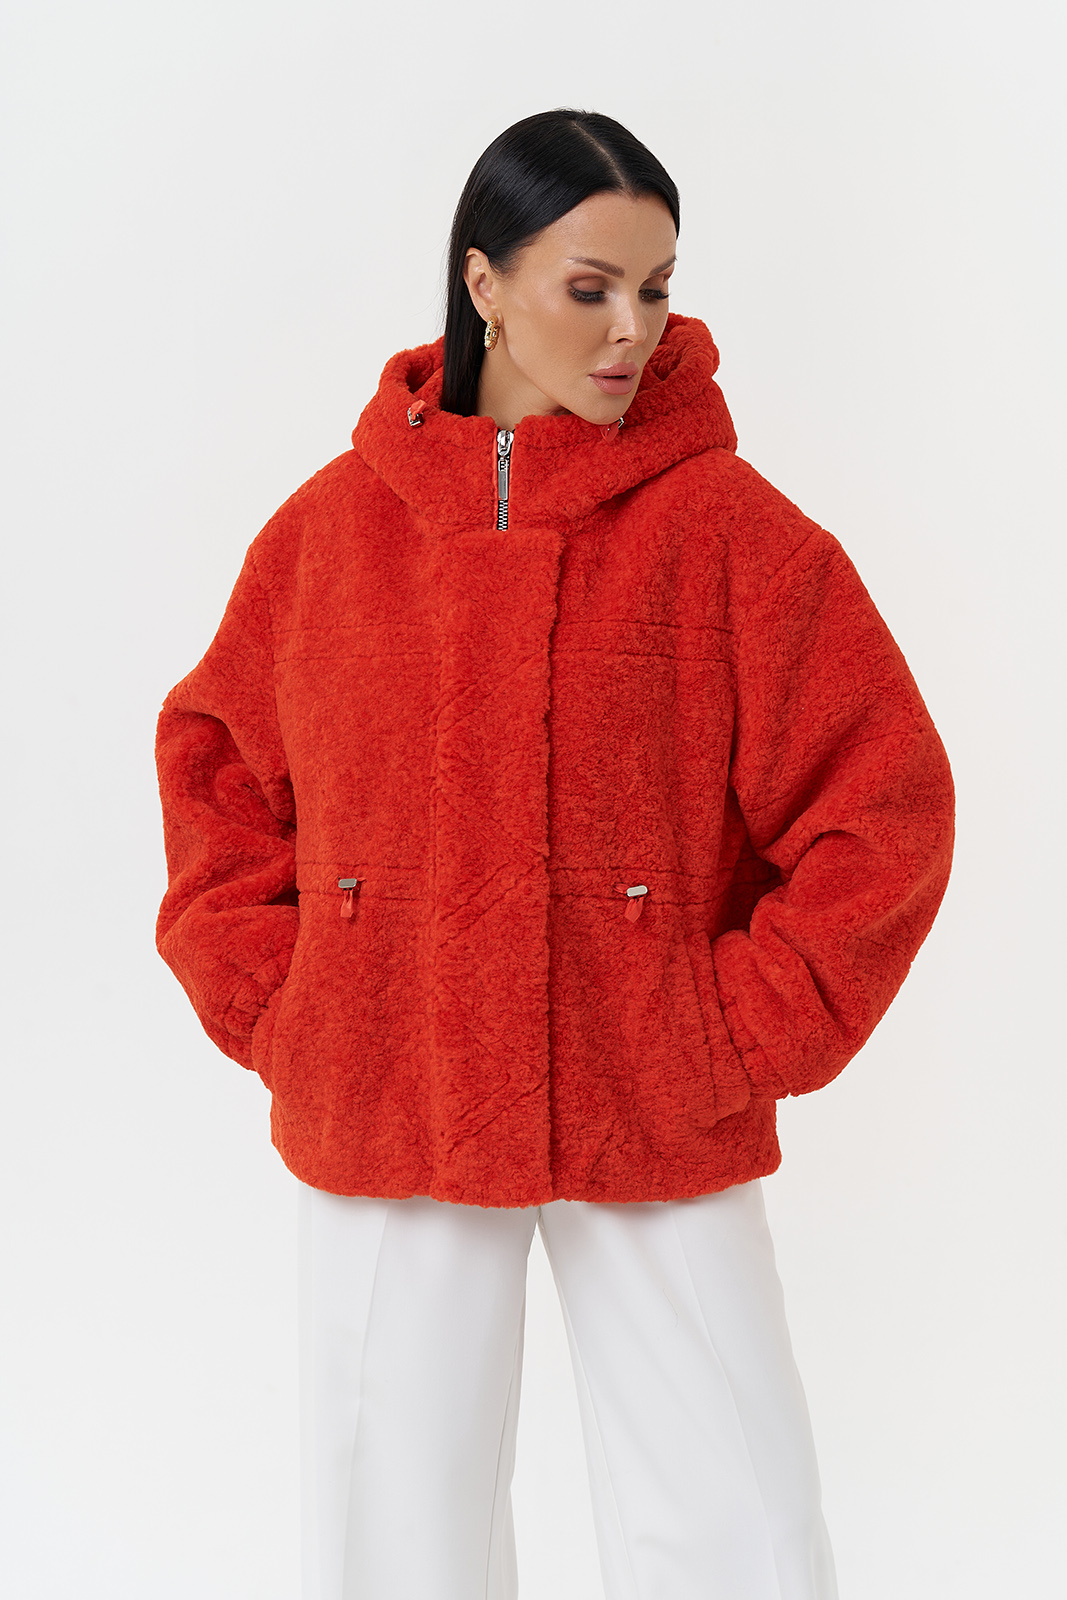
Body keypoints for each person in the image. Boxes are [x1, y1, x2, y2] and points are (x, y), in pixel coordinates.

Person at [155, 109, 954, 1600]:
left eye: (655, 287)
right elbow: (217, 776)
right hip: (388, 1081)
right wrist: (295, 1004)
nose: (632, 328)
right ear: (484, 282)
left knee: (732, 1510)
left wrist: (735, 1025)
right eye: (591, 287)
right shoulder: (330, 535)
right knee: (393, 1521)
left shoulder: (732, 535)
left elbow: (883, 803)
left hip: (651, 1083)